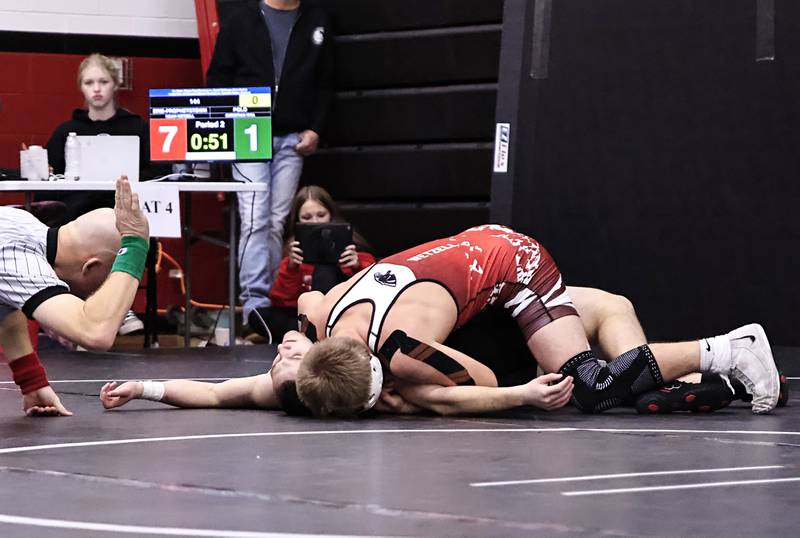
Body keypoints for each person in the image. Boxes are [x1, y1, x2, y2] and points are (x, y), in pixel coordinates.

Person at [290, 224, 780, 417]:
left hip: (517, 265)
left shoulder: (404, 347)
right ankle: (695, 380)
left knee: (590, 387)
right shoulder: (321, 310)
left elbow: (480, 380)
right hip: (476, 249)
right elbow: (300, 325)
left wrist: (414, 398)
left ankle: (731, 348)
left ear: (380, 377)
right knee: (634, 376)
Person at [98, 284, 782, 417]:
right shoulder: (368, 378)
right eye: (286, 354)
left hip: (562, 311)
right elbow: (220, 392)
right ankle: (726, 372)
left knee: (610, 386)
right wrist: (516, 396)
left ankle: (724, 354)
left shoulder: (355, 367)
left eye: (286, 350)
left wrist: (146, 390)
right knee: (620, 396)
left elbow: (215, 391)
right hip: (525, 333)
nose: (280, 354)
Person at [206, 0, 334, 330]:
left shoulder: (315, 17)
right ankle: (254, 302)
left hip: (291, 136)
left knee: (277, 219)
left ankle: (274, 297)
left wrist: (315, 127)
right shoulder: (241, 19)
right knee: (254, 216)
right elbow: (218, 75)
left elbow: (324, 80)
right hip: (248, 131)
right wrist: (230, 123)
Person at [2, 177, 149, 416]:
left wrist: (31, 380)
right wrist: (133, 248)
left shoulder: (22, 224)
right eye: (111, 280)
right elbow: (96, 333)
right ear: (90, 267)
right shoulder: (19, 255)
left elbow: (6, 308)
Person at [40, 52, 165, 335]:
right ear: (81, 87)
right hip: (75, 218)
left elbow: (157, 172)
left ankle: (110, 307)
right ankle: (97, 310)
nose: (96, 89)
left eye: (103, 81)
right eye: (89, 82)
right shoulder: (66, 131)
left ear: (115, 85)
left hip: (118, 214)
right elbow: (49, 180)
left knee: (115, 226)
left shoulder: (137, 128)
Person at [249, 186, 376, 341]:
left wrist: (357, 266)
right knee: (257, 316)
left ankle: (314, 335)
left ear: (331, 215)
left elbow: (375, 291)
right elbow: (281, 301)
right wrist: (291, 268)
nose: (315, 222)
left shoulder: (353, 249)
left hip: (342, 315)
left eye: (321, 215)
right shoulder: (293, 254)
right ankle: (315, 335)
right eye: (307, 218)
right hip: (305, 318)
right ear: (298, 221)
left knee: (324, 268)